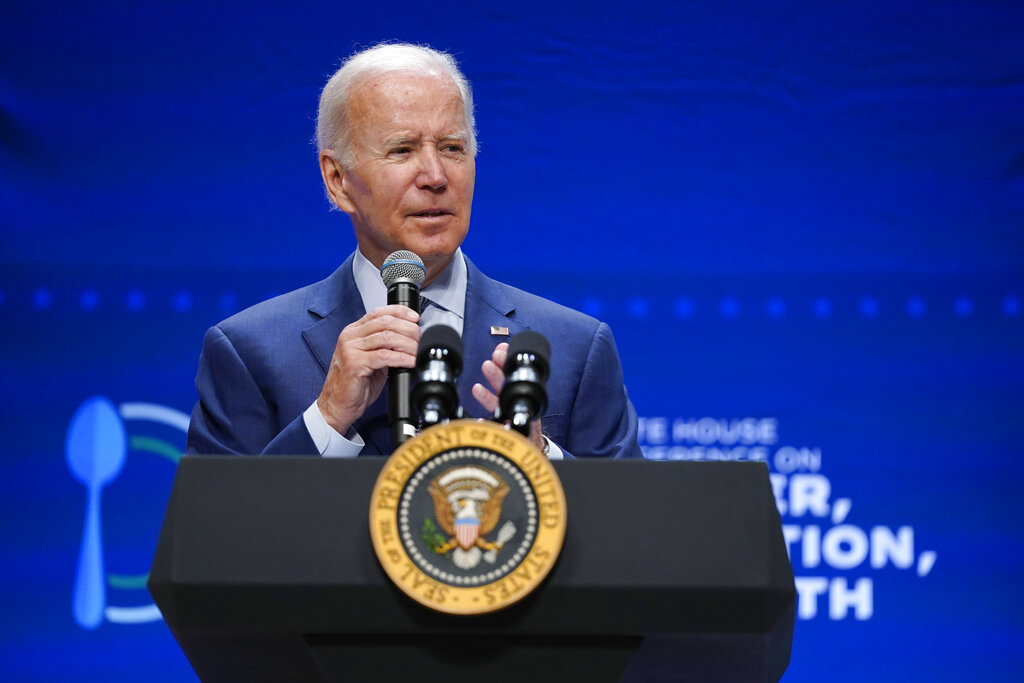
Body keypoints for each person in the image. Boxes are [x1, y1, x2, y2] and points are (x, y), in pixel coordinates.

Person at [186, 43, 642, 460]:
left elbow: (633, 533)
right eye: (402, 150)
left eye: (452, 148)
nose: (435, 175)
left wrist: (541, 461)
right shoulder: (249, 352)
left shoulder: (574, 349)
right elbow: (214, 539)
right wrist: (326, 420)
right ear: (337, 180)